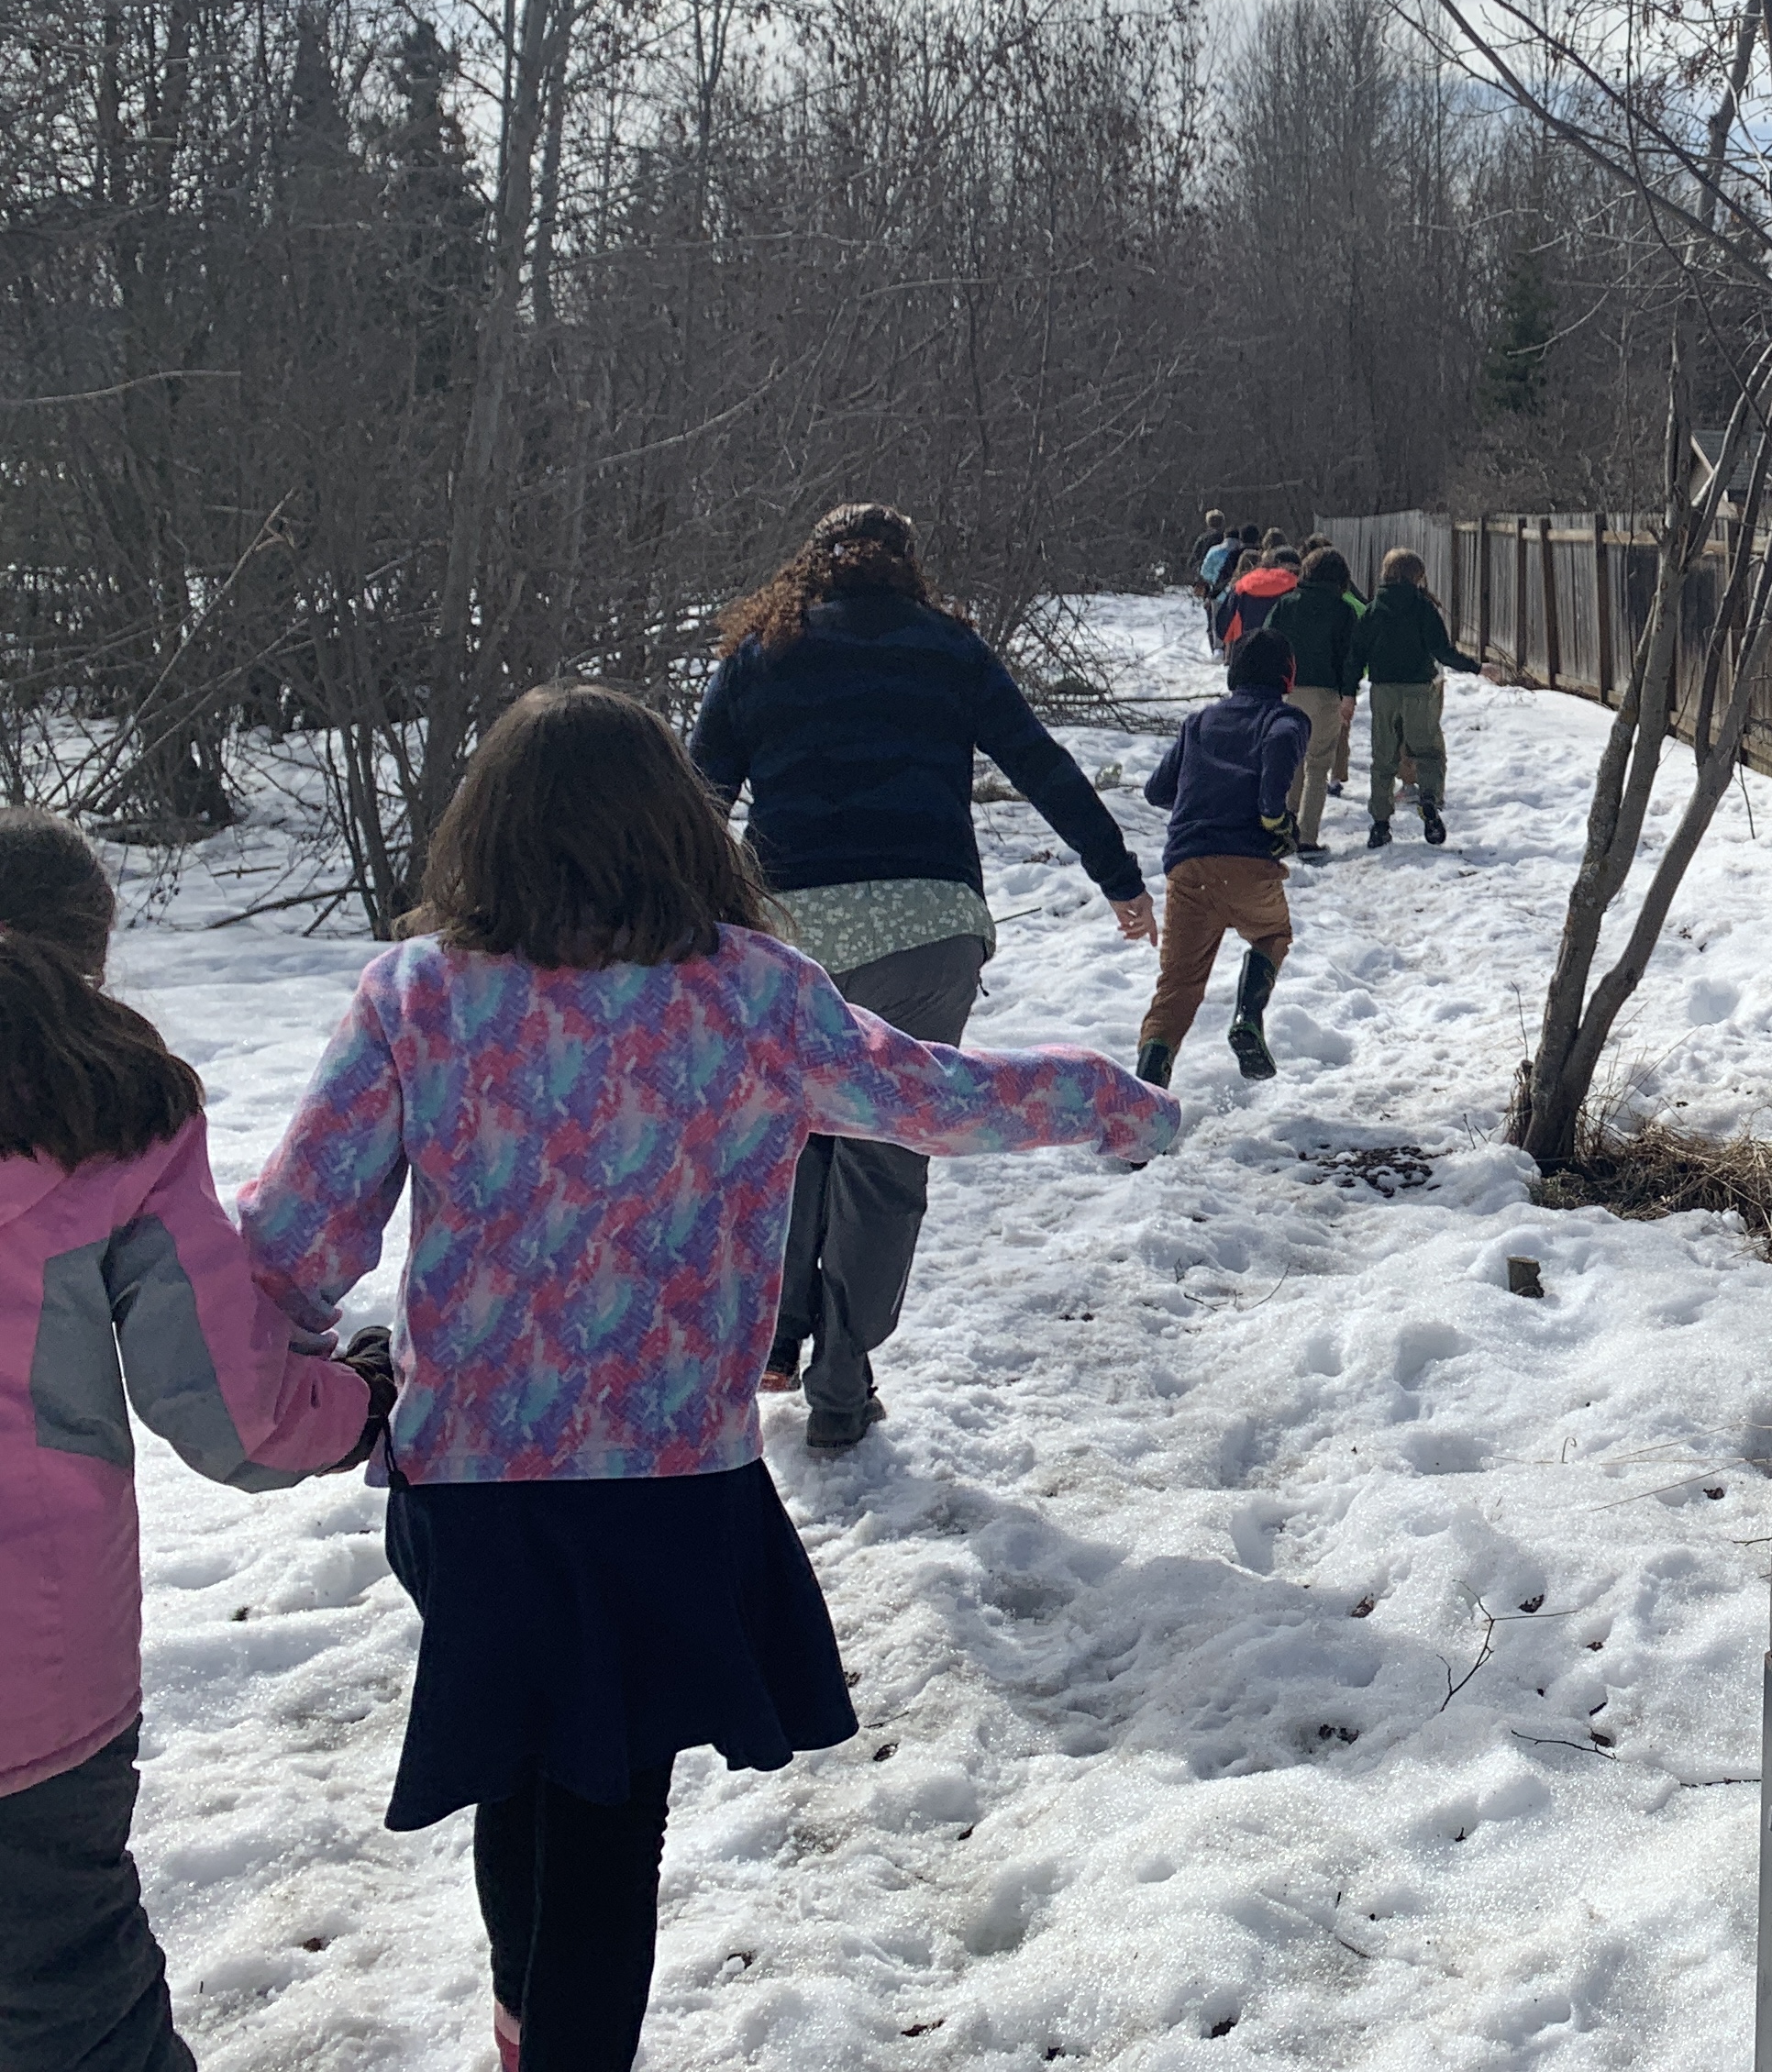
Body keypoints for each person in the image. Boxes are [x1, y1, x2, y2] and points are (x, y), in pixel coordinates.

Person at [241, 686, 1174, 2072]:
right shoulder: (755, 996)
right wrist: (1113, 1097)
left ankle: (523, 2024)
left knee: (524, 1754)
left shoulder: (419, 997)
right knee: (611, 1810)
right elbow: (936, 1099)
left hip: (472, 1488)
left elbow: (293, 1243)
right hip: (671, 1491)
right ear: (681, 829)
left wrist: (229, 1360)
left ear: (483, 836)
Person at [0, 813, 385, 2072]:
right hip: (29, 1675)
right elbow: (234, 1422)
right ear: (88, 961)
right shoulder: (108, 1100)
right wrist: (361, 1405)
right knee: (77, 2018)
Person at [686, 504, 1157, 1454]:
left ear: (811, 569)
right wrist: (1120, 878)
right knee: (889, 1145)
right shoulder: (948, 648)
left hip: (787, 935)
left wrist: (668, 922)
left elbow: (696, 797)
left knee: (791, 1126)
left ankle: (777, 1337)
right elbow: (1041, 764)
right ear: (908, 569)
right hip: (927, 933)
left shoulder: (761, 653)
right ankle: (843, 1383)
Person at [1135, 629, 1310, 1084]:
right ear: (1286, 677)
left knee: (1176, 987)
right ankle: (1248, 1019)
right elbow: (1279, 751)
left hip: (1187, 867)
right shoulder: (1284, 719)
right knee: (1272, 933)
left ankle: (1144, 1103)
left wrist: (1205, 797)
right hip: (1248, 863)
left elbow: (1157, 791)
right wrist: (1274, 818)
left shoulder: (1198, 723)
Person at [1347, 548, 1480, 848]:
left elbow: (1355, 655)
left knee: (1383, 757)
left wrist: (1348, 692)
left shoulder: (1373, 611)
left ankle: (1380, 822)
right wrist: (1476, 667)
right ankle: (1430, 800)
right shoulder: (1423, 608)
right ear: (1416, 576)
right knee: (1429, 751)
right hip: (1419, 689)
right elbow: (1442, 651)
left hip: (1383, 691)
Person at [1264, 548, 1363, 860]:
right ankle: (1307, 837)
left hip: (1287, 691)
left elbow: (1266, 642)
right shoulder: (1343, 611)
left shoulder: (1285, 605)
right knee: (1318, 765)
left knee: (1291, 759)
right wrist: (1349, 694)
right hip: (1326, 693)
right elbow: (1350, 659)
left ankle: (1287, 824)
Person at [1221, 545, 1298, 652]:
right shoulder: (1298, 587)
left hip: (1246, 649)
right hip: (1286, 652)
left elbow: (1224, 624)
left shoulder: (1243, 584)